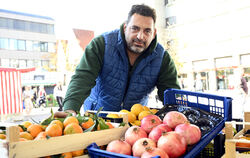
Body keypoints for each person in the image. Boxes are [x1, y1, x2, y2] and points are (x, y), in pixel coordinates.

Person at [57, 4, 180, 116]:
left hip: (134, 123)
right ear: (125, 27)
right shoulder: (101, 44)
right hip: (98, 118)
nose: (140, 36)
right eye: (135, 28)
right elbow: (82, 78)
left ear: (154, 34)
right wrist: (70, 109)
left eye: (147, 31)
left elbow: (171, 93)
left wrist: (178, 115)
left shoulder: (162, 58)